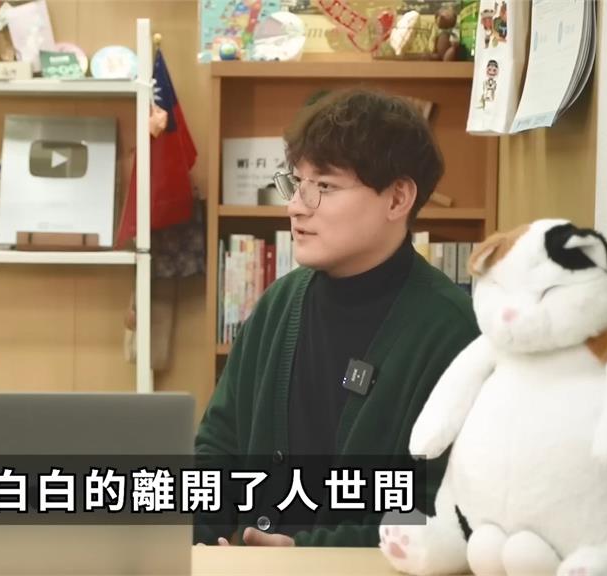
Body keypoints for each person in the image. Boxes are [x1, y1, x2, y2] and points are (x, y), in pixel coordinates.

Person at [194, 89, 479, 546]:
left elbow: (442, 512)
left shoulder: (452, 331)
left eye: (324, 187)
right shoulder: (278, 304)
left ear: (397, 198)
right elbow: (218, 448)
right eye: (296, 183)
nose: (296, 206)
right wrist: (188, 538)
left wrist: (306, 555)